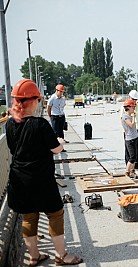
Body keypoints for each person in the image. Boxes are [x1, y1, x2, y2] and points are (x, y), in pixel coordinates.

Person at [6, 79, 83, 266]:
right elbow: (55, 149)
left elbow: (13, 148)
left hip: (19, 178)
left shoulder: (9, 124)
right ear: (32, 101)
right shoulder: (39, 124)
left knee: (29, 216)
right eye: (38, 100)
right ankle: (61, 256)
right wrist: (61, 143)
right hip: (40, 178)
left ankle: (33, 256)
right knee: (55, 213)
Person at [120, 90, 138, 170]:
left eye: (135, 100)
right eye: (133, 99)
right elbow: (122, 119)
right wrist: (125, 130)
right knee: (129, 149)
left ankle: (136, 164)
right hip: (128, 130)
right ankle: (128, 165)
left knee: (137, 148)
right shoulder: (124, 107)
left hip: (137, 129)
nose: (134, 101)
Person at [121, 99, 138, 178]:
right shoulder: (125, 117)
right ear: (128, 107)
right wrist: (134, 118)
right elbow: (131, 125)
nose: (134, 108)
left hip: (134, 138)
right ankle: (127, 172)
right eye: (132, 107)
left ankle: (132, 171)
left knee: (134, 156)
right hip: (130, 139)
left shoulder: (129, 116)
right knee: (131, 157)